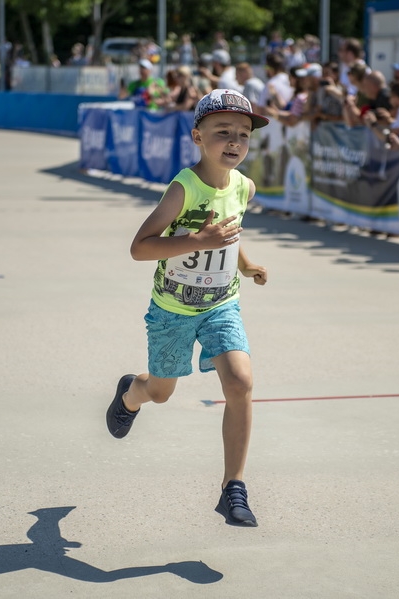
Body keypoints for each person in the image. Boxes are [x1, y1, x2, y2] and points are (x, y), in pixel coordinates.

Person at [106, 88, 269, 527]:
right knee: (161, 392)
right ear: (198, 136)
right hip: (171, 311)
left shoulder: (243, 186)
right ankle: (131, 392)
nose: (234, 141)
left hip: (221, 305)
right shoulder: (184, 188)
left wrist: (247, 264)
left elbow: (230, 233)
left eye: (243, 134)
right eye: (222, 132)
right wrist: (195, 242)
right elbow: (141, 248)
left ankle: (233, 486)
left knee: (240, 381)